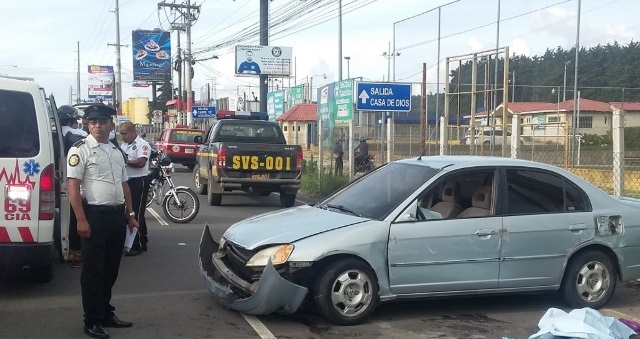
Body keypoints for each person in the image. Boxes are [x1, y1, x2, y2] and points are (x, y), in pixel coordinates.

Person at [67, 104, 138, 339]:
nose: (97, 125)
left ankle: (106, 312)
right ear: (88, 124)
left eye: (102, 121)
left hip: (117, 217)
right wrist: (80, 219)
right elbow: (73, 187)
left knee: (111, 269)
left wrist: (130, 214)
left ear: (111, 124)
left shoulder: (116, 151)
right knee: (93, 271)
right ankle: (92, 320)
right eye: (92, 121)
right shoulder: (81, 149)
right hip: (94, 217)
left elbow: (124, 185)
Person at [58, 105, 88, 266]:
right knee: (78, 215)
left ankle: (64, 248)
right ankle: (77, 248)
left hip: (54, 179)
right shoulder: (79, 134)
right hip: (78, 182)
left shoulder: (51, 132)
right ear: (73, 120)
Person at [119, 122, 151, 256]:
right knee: (129, 211)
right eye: (121, 134)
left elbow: (141, 162)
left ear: (132, 132)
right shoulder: (124, 145)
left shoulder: (142, 144)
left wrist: (125, 161)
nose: (122, 137)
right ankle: (142, 239)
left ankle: (135, 245)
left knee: (136, 212)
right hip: (127, 180)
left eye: (124, 134)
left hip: (139, 180)